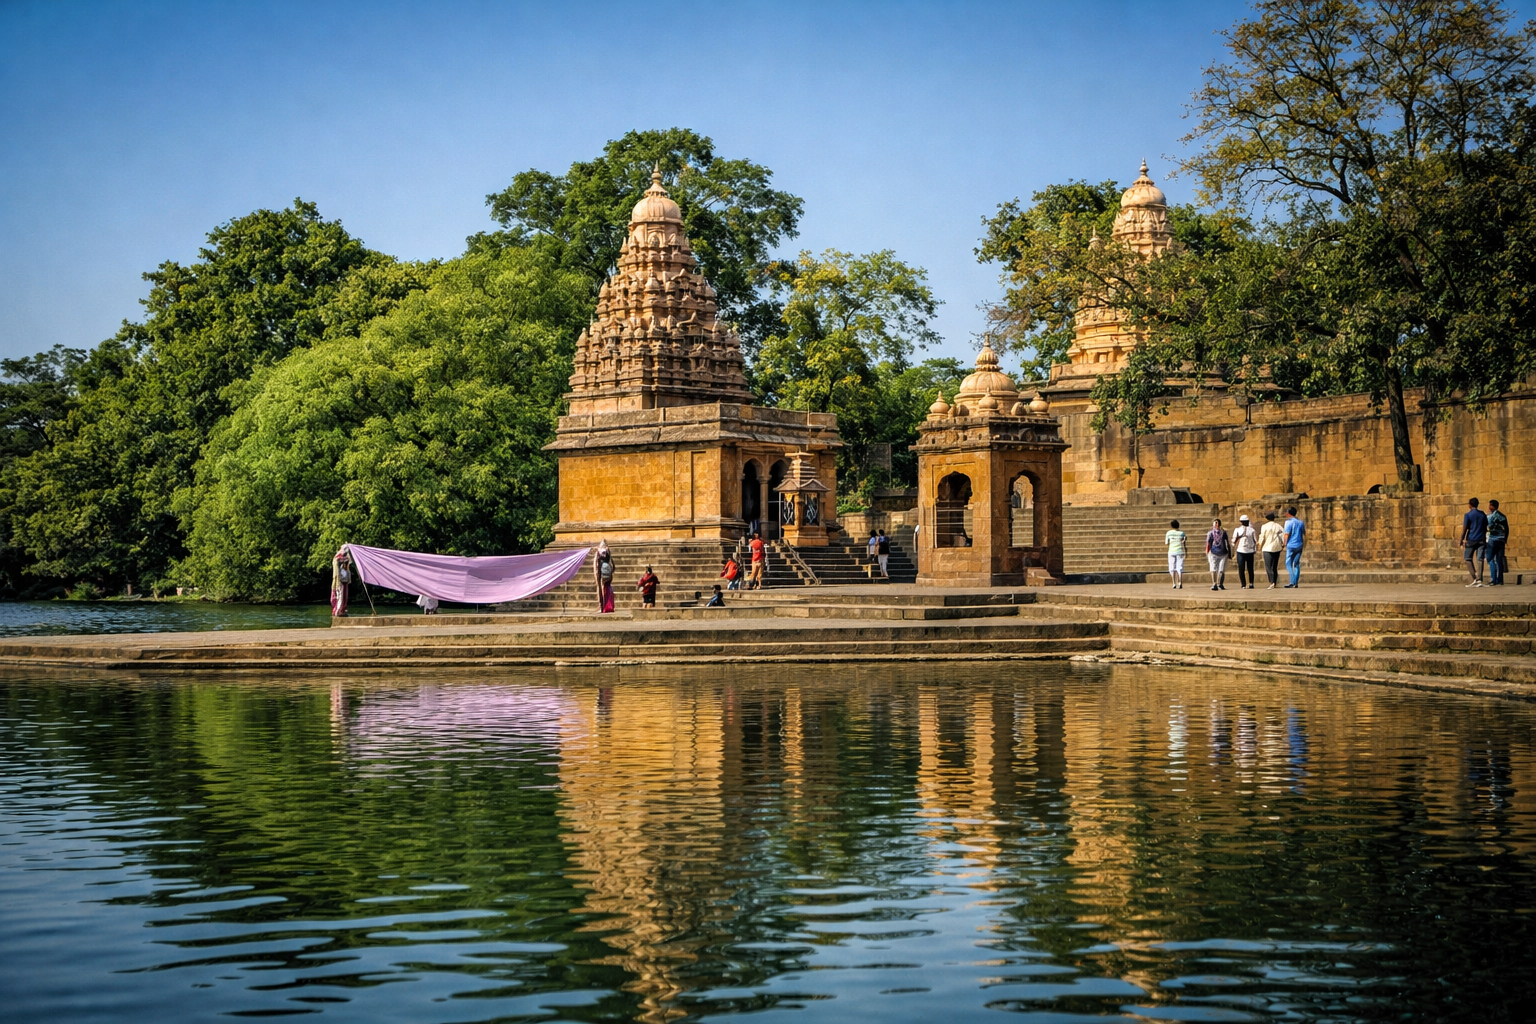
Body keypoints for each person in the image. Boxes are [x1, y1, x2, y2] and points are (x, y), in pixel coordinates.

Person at [1460, 497, 1488, 587]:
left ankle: (1474, 578)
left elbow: (1465, 528)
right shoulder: (1483, 514)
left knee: (1468, 558)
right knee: (1480, 559)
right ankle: (1480, 579)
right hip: (1481, 539)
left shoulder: (1468, 515)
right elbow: (1486, 525)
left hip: (1471, 539)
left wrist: (1462, 539)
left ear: (1470, 505)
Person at [1258, 511, 1285, 589]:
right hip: (1277, 547)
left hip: (1267, 548)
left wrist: (1260, 544)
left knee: (1268, 566)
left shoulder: (1264, 526)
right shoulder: (1278, 526)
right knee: (1274, 566)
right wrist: (1283, 544)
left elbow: (1262, 536)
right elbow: (1282, 535)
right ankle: (1275, 582)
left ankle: (1272, 582)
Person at [1487, 499, 1509, 586]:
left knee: (1490, 558)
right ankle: (1500, 580)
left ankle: (1494, 579)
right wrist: (1505, 539)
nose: (1488, 507)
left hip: (1492, 539)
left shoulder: (1490, 517)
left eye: (1490, 505)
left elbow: (1488, 527)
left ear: (1492, 506)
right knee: (1499, 560)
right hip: (1501, 540)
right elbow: (1507, 529)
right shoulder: (1503, 516)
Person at [1232, 514, 1258, 590]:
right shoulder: (1239, 530)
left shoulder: (1250, 530)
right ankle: (1247, 583)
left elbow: (1233, 541)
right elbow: (1255, 541)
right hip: (1244, 551)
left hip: (1245, 550)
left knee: (1246, 568)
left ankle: (1248, 583)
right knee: (1245, 568)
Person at [1282, 506, 1306, 588]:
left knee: (1288, 563)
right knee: (1296, 563)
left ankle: (1292, 581)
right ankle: (1296, 582)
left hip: (1291, 545)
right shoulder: (1301, 522)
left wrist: (1284, 543)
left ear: (1289, 514)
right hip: (1299, 544)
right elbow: (1303, 532)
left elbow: (1286, 534)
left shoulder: (1288, 522)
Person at [1205, 518, 1231, 591]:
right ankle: (1214, 583)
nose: (1216, 525)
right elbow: (1208, 543)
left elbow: (1227, 543)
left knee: (1221, 569)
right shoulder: (1211, 533)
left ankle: (1220, 583)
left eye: (1217, 523)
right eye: (1215, 523)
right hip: (1213, 552)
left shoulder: (1223, 532)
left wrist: (1230, 553)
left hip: (1223, 553)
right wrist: (1207, 551)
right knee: (1213, 568)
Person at [1165, 519, 1187, 589]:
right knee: (1179, 567)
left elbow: (1166, 543)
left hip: (1171, 551)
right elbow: (1184, 543)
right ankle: (1180, 582)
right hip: (1179, 551)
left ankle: (1174, 583)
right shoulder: (1182, 533)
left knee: (1172, 567)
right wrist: (1186, 552)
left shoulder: (1168, 533)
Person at [594, 541, 616, 612]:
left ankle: (602, 607)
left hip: (602, 574)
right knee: (608, 589)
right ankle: (608, 606)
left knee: (601, 590)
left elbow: (597, 565)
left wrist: (596, 574)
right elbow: (613, 565)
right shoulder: (608, 553)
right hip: (608, 574)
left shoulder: (598, 553)